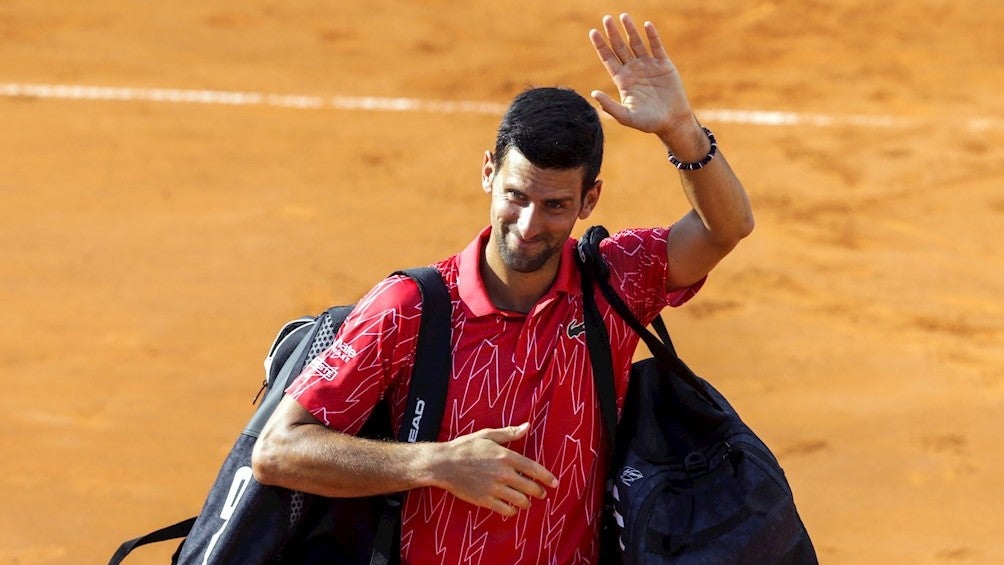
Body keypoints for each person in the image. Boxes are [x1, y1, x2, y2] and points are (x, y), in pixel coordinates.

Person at [252, 12, 754, 564]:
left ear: (589, 201)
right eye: (516, 194)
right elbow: (278, 450)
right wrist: (435, 463)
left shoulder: (616, 280)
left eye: (556, 205)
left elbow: (723, 228)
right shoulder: (408, 309)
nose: (528, 225)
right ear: (488, 172)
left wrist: (679, 128)